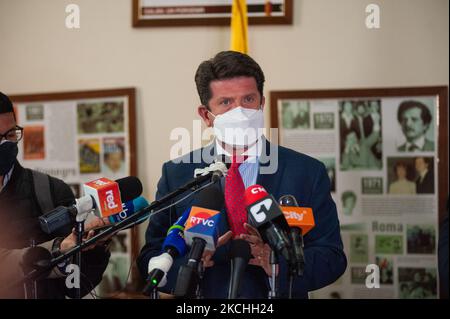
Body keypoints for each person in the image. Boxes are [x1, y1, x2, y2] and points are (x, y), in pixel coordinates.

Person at [137, 51, 347, 299]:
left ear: (262, 103)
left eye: (248, 99)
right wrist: (190, 266)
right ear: (206, 115)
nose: (241, 112)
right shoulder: (177, 173)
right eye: (226, 103)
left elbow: (332, 257)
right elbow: (151, 256)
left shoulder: (307, 172)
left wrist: (277, 262)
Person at [0, 92, 110, 298]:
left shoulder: (50, 191)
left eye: (11, 134)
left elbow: (75, 286)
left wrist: (92, 249)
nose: (6, 145)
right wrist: (58, 249)